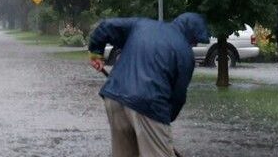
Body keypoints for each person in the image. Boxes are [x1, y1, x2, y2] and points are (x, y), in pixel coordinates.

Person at [88, 13, 210, 157]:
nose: (194, 45)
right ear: (191, 35)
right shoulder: (185, 53)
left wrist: (96, 52)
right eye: (195, 41)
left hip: (114, 97)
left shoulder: (141, 25)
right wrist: (163, 121)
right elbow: (178, 97)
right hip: (150, 104)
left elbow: (105, 26)